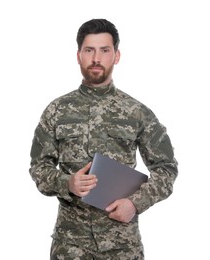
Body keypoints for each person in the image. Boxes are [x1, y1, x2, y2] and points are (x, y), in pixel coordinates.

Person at [29, 18, 178, 260]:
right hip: (70, 246)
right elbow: (39, 168)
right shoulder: (56, 110)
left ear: (116, 56)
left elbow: (166, 169)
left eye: (104, 50)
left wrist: (136, 203)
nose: (96, 58)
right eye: (89, 50)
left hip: (122, 246)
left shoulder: (136, 112)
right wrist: (66, 183)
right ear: (78, 55)